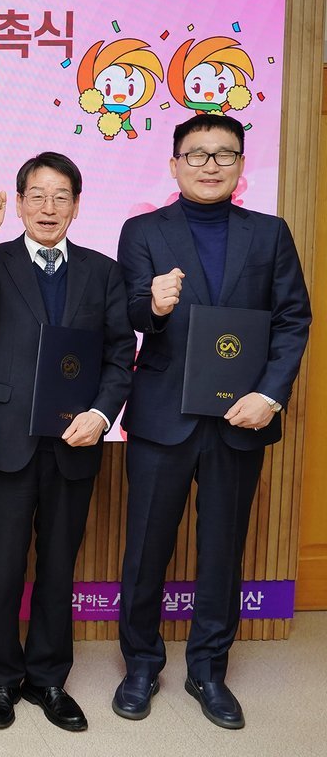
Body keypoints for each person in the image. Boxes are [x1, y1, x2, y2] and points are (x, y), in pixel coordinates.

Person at [114, 115, 310, 729]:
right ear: (174, 164)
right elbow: (126, 313)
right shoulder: (143, 230)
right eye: (196, 154)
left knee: (224, 548)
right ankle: (141, 663)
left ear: (241, 166)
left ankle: (208, 669)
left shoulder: (270, 234)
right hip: (163, 415)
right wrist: (153, 306)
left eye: (224, 154)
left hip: (239, 417)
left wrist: (270, 396)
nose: (210, 164)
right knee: (146, 547)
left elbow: (292, 319)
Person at [0, 153, 135, 732]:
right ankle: (1, 677)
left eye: (61, 197)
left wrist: (102, 414)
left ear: (77, 206)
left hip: (74, 440)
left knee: (59, 566)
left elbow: (119, 354)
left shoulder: (102, 271)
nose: (49, 207)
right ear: (19, 203)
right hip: (5, 437)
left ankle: (49, 677)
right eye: (37, 195)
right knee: (4, 565)